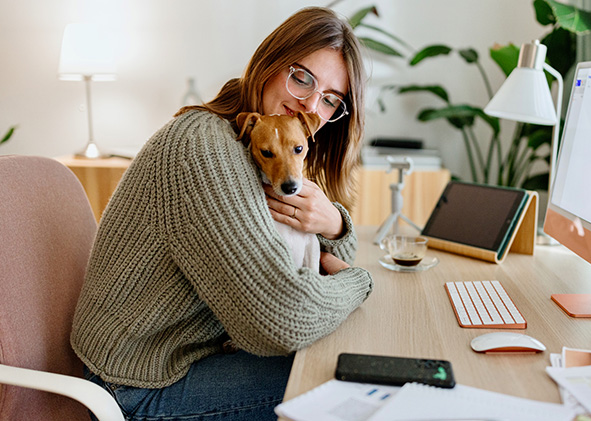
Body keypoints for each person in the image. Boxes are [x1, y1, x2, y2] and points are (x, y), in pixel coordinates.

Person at [70, 7, 372, 421]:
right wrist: (359, 283)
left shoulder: (257, 151)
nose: (309, 103)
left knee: (350, 357)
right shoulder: (206, 149)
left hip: (184, 358)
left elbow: (321, 263)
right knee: (346, 378)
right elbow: (283, 318)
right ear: (269, 63)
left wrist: (334, 223)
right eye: (302, 77)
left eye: (330, 99)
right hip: (134, 385)